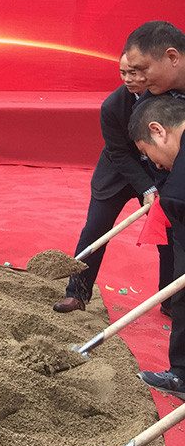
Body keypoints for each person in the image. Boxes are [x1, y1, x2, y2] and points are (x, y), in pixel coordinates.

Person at [54, 54, 170, 312]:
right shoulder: (112, 106)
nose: (128, 79)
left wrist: (157, 185)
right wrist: (147, 188)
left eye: (134, 72)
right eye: (123, 73)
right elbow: (118, 153)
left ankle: (172, 300)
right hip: (116, 175)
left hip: (158, 171)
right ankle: (77, 294)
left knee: (169, 235)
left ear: (150, 70)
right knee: (95, 230)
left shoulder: (169, 97)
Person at [128, 94, 185, 399]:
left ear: (158, 131)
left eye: (146, 152)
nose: (154, 164)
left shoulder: (178, 190)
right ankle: (181, 375)